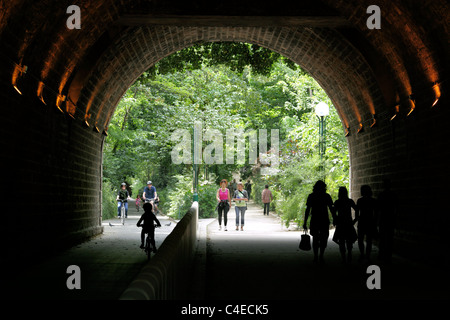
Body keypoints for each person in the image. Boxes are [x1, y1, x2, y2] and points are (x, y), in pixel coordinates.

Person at [303, 180, 334, 263]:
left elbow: (308, 210)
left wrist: (305, 222)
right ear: (324, 187)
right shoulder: (326, 196)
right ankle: (321, 256)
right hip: (324, 219)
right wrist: (335, 218)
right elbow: (331, 209)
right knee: (324, 238)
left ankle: (316, 256)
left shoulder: (311, 196)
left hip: (315, 219)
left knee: (315, 238)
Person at [332, 187, 358, 263]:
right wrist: (355, 219)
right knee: (349, 240)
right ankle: (349, 255)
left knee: (341, 241)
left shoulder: (337, 202)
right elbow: (356, 209)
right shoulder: (349, 201)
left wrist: (335, 220)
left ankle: (344, 258)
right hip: (348, 223)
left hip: (340, 223)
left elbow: (334, 212)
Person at [355, 185, 378, 262]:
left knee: (360, 239)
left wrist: (356, 220)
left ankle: (362, 254)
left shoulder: (360, 201)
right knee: (369, 240)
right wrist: (375, 222)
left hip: (362, 222)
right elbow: (376, 213)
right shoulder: (373, 201)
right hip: (370, 222)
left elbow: (357, 213)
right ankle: (368, 256)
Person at [377, 179, 397, 264]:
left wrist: (376, 219)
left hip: (383, 218)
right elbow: (396, 207)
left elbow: (378, 208)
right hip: (390, 218)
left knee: (382, 237)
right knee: (389, 238)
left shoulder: (381, 195)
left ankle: (381, 254)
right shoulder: (393, 195)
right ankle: (388, 256)